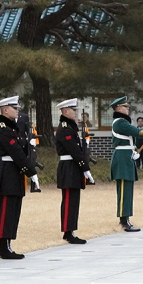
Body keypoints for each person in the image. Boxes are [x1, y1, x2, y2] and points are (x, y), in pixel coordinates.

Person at [0, 96, 38, 259]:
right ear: (5, 110)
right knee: (7, 211)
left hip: (16, 173)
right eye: (14, 107)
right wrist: (31, 172)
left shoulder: (13, 128)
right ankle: (3, 247)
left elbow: (23, 150)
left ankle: (9, 245)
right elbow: (17, 153)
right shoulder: (4, 129)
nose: (17, 110)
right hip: (8, 174)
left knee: (14, 211)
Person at [110, 96, 143, 232]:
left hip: (127, 156)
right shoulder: (120, 122)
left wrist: (135, 150)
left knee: (128, 190)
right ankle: (124, 220)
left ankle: (127, 218)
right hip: (122, 158)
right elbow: (138, 132)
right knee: (124, 190)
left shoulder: (122, 122)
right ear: (119, 109)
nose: (128, 109)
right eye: (125, 107)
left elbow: (129, 140)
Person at [55, 98, 95, 245]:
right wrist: (85, 167)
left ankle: (70, 230)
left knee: (74, 200)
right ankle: (67, 231)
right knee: (69, 200)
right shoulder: (65, 128)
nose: (76, 112)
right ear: (65, 111)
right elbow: (73, 150)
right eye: (73, 110)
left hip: (73, 166)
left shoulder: (71, 127)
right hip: (68, 167)